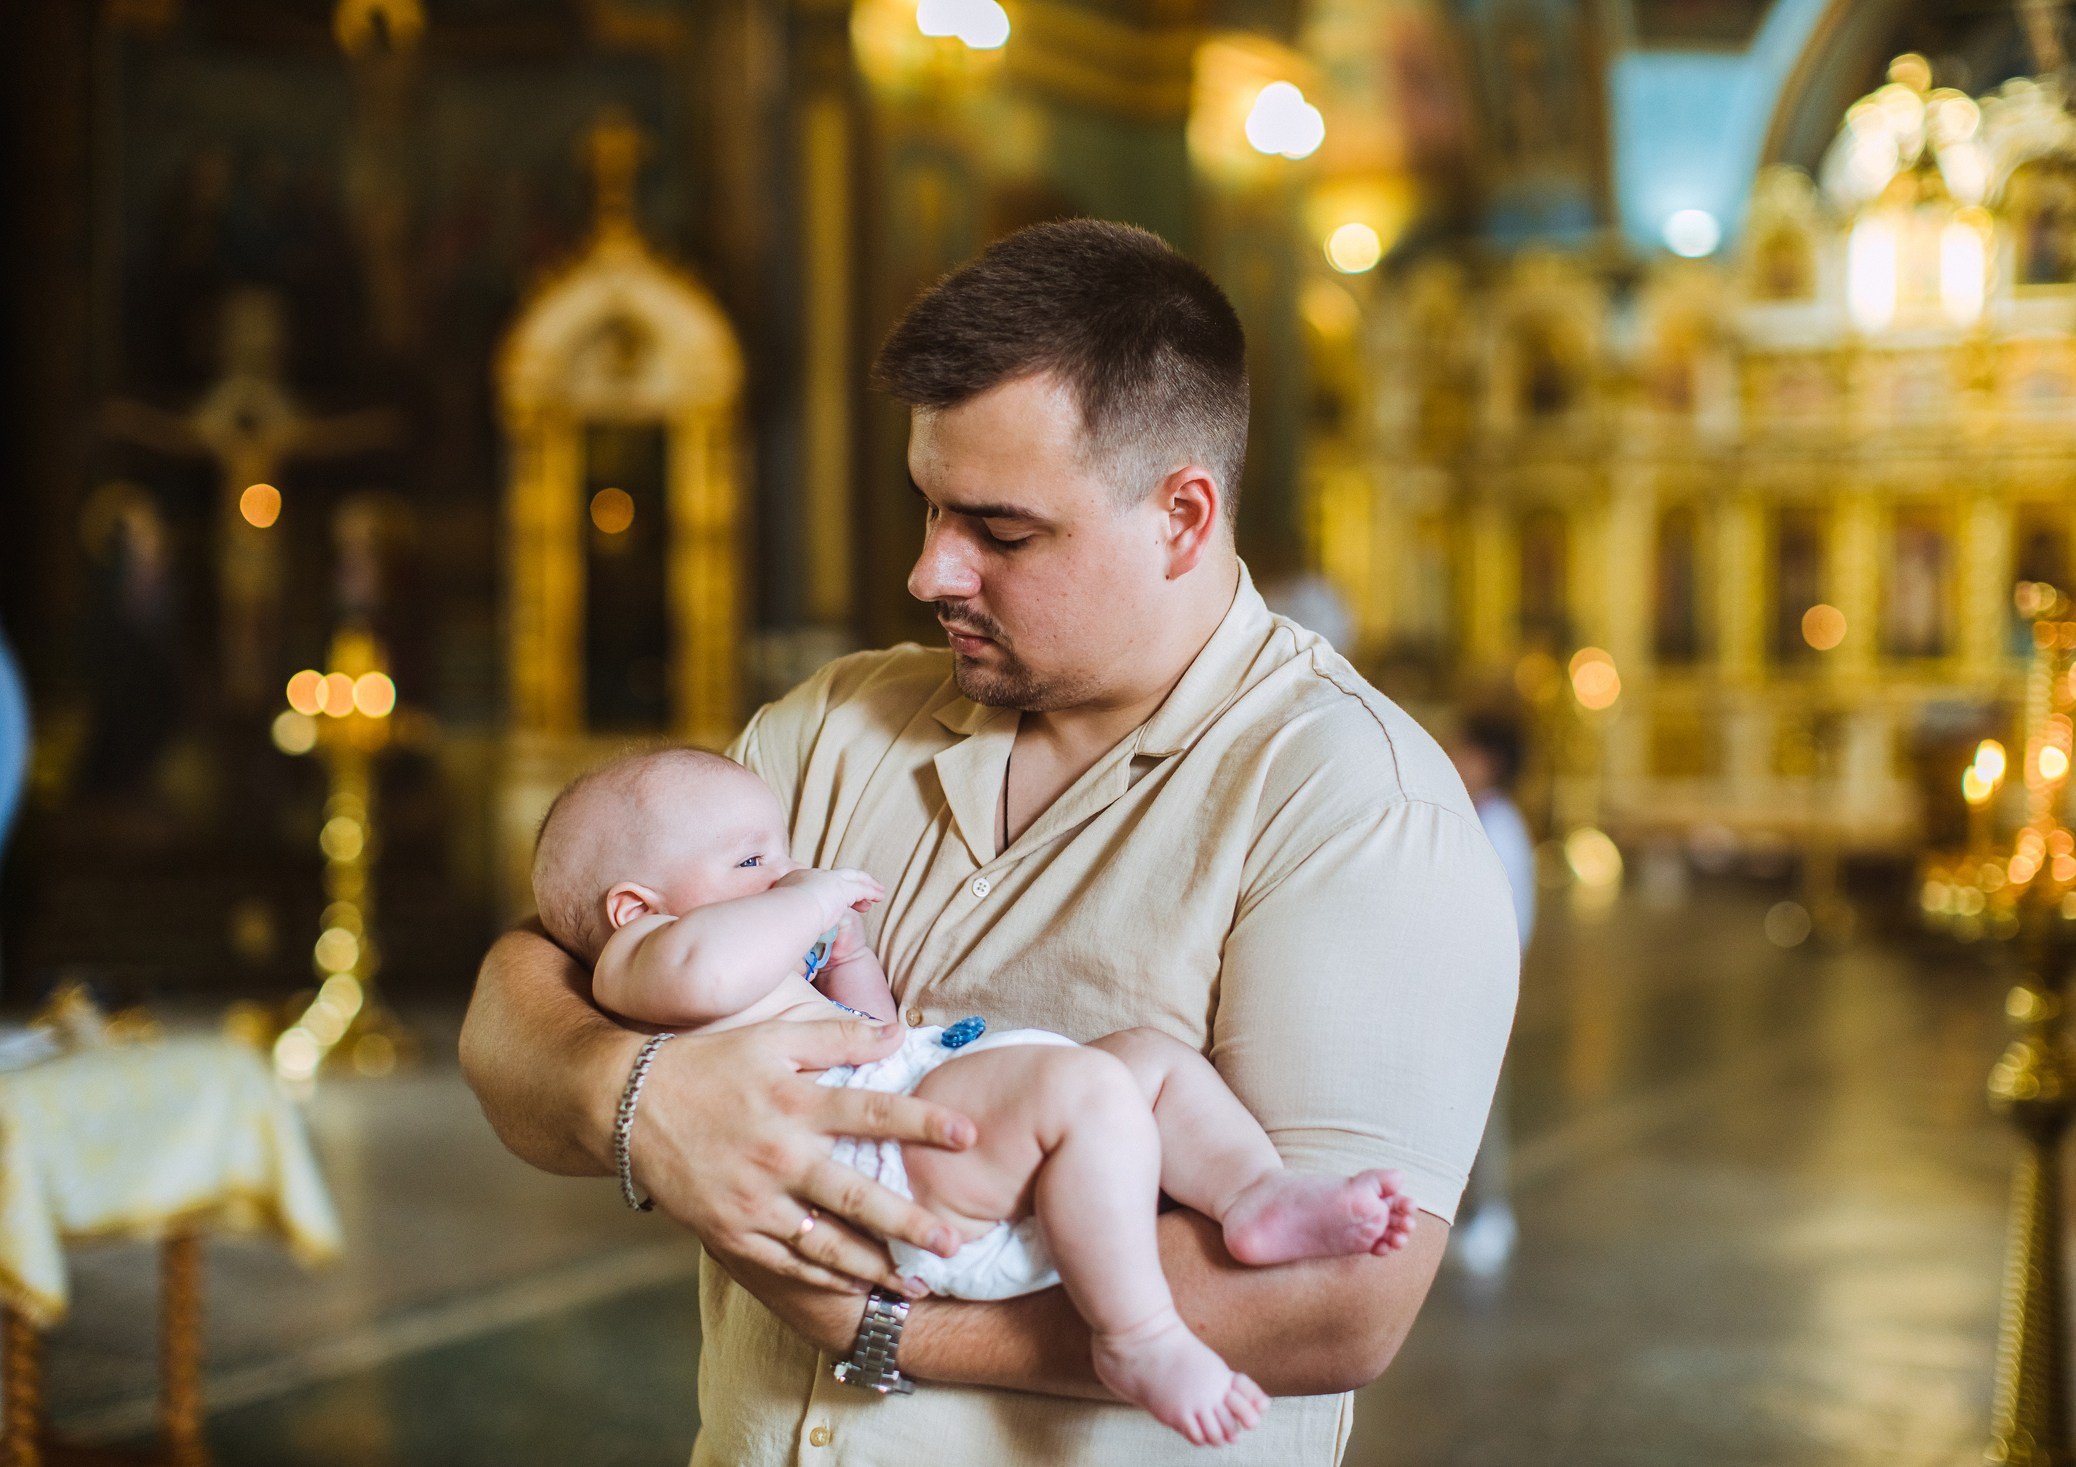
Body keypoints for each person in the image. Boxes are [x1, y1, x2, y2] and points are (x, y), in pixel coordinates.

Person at [460, 219, 1518, 1466]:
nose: (927, 572)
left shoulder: (1355, 806)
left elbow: (1335, 1308)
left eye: (999, 531)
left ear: (1182, 517)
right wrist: (636, 1101)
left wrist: (878, 1323)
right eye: (927, 508)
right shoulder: (834, 727)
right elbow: (521, 997)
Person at [534, 747, 1419, 1444]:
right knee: (1085, 1094)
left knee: (1145, 1061)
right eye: (752, 858)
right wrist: (814, 898)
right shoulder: (644, 958)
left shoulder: (745, 940)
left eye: (783, 853)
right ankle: (1138, 1332)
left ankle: (1252, 1193)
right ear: (631, 907)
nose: (782, 871)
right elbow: (708, 968)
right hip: (882, 1170)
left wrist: (845, 956)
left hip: (908, 1094)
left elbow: (866, 1024)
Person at [1447, 710, 1535, 1278]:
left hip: (1475, 986)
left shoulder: (1500, 828)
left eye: (1465, 749)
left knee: (1480, 1106)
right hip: (1453, 982)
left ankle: (1489, 1214)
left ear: (1490, 762)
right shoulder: (1469, 815)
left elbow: (1507, 919)